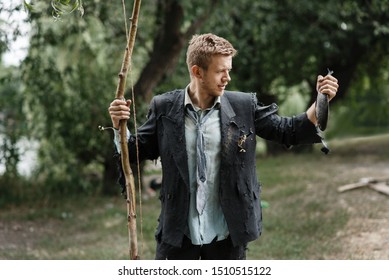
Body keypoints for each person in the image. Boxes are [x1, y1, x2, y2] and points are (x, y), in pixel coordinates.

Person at [108, 33, 338, 260]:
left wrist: (320, 101)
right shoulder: (164, 107)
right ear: (197, 71)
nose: (227, 77)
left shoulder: (243, 106)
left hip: (227, 234)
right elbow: (137, 151)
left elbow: (288, 131)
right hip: (178, 234)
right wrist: (119, 126)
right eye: (221, 71)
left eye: (229, 70)